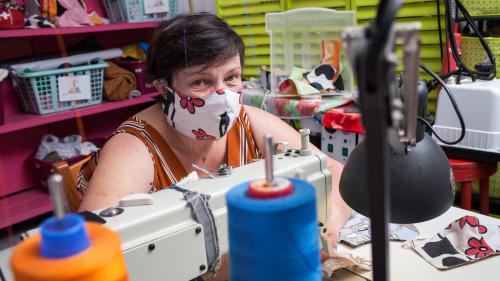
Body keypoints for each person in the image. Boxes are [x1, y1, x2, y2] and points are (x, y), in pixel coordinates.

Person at [79, 12, 351, 252]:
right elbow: (96, 244)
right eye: (200, 82)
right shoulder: (133, 147)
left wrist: (328, 228)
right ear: (163, 88)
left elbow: (336, 173)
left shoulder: (249, 122)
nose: (222, 95)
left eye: (232, 77)